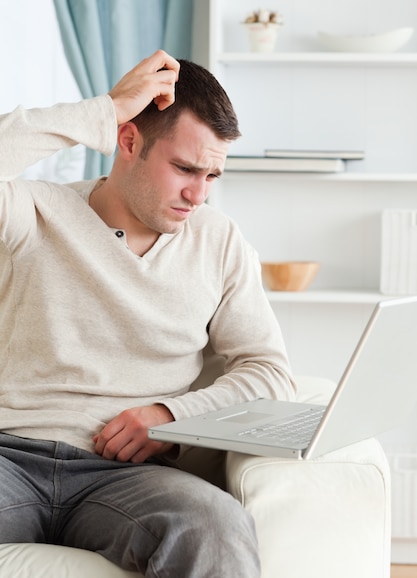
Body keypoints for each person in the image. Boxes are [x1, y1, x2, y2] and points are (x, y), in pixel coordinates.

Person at [0, 49, 295, 576]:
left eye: (212, 176)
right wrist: (105, 109)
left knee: (215, 526)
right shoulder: (32, 212)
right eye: (184, 168)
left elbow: (270, 375)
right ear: (129, 141)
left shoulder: (218, 240)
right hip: (9, 459)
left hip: (129, 478)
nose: (197, 195)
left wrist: (170, 417)